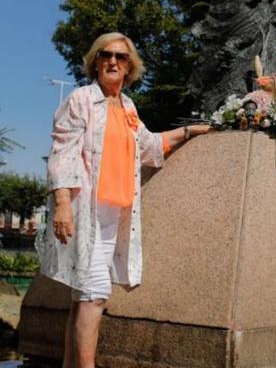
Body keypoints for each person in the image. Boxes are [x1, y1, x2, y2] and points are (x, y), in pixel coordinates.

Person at [37, 32, 212, 368]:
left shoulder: (128, 106)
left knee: (84, 296)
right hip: (85, 211)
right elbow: (62, 154)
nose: (113, 62)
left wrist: (191, 131)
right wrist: (62, 204)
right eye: (106, 55)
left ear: (130, 67)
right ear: (95, 61)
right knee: (95, 293)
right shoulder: (81, 100)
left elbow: (148, 146)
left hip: (114, 215)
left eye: (120, 57)